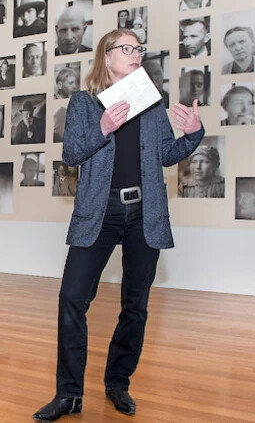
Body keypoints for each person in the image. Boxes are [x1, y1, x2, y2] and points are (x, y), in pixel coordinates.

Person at [33, 28, 203, 421]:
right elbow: (72, 153)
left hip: (145, 213)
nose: (135, 53)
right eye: (126, 48)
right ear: (106, 57)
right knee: (72, 299)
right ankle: (69, 394)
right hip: (100, 213)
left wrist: (193, 135)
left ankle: (118, 383)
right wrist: (104, 127)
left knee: (135, 307)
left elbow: (165, 155)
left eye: (139, 48)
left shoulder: (151, 102)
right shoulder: (84, 102)